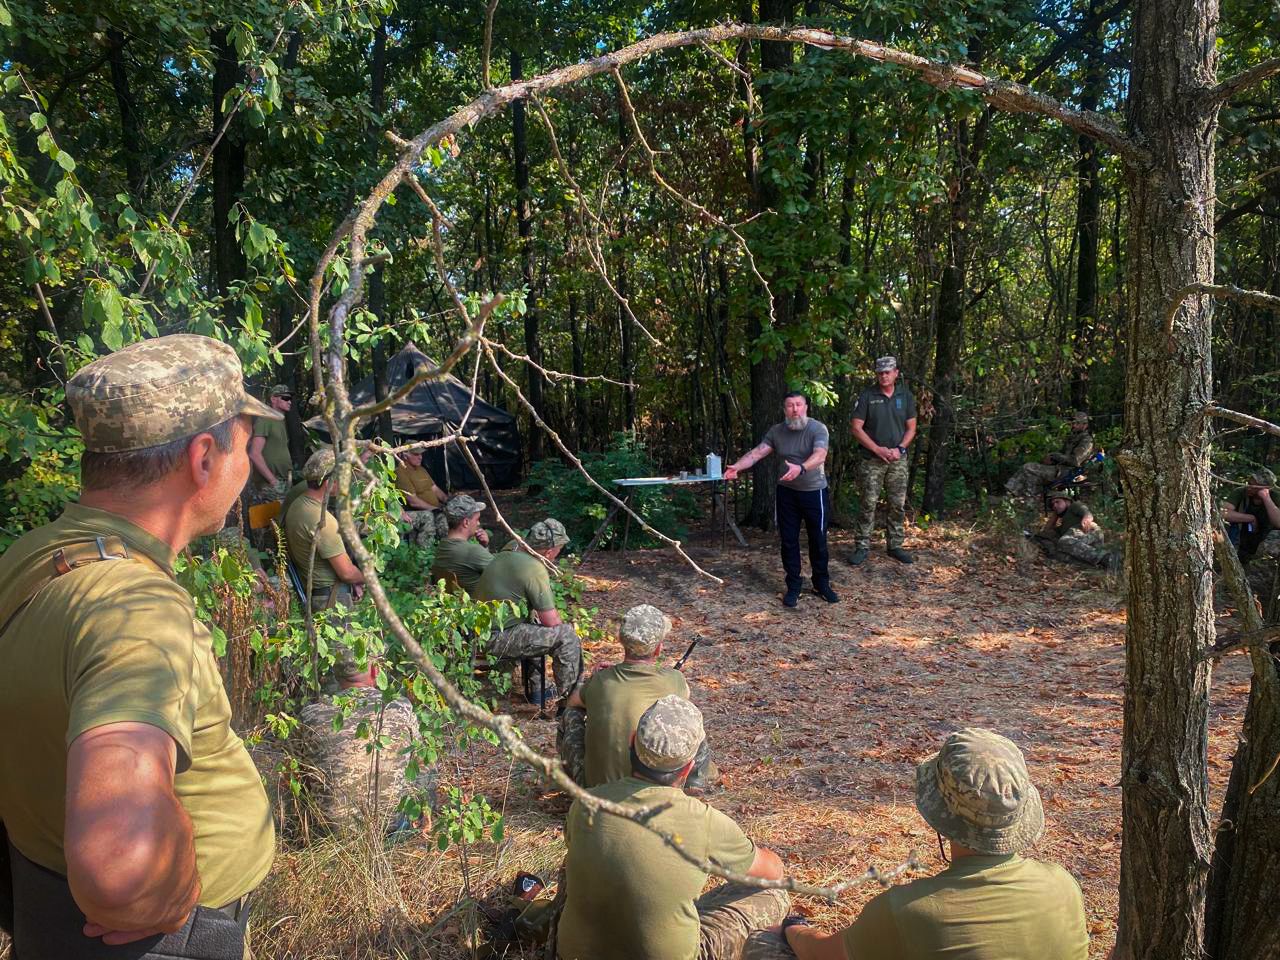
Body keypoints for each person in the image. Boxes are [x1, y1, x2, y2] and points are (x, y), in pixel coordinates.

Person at [0, 334, 276, 957]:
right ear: (204, 456)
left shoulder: (34, 556)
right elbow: (121, 867)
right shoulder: (136, 611)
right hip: (153, 941)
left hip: (50, 907)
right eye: (241, 439)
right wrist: (166, 895)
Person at [778, 728, 1089, 960]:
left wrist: (792, 929)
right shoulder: (1063, 886)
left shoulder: (908, 911)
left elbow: (821, 954)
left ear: (940, 814)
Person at [557, 695, 789, 960]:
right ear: (689, 766)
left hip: (575, 953)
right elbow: (772, 872)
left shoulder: (585, 804)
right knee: (774, 894)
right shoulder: (704, 822)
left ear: (633, 741)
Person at [558, 604, 715, 791]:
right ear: (658, 648)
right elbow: (684, 697)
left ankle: (568, 777)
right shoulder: (674, 680)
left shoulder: (601, 681)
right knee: (687, 718)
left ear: (621, 640)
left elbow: (572, 702)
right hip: (652, 787)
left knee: (572, 713)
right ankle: (694, 786)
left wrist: (596, 680)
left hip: (594, 792)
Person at [298, 651, 433, 836]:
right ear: (375, 671)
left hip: (330, 831)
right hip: (391, 827)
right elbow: (423, 762)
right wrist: (424, 810)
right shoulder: (400, 706)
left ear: (336, 675)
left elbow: (300, 776)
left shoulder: (311, 715)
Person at [724, 392, 836, 607]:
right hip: (787, 493)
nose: (795, 409)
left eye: (799, 405)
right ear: (784, 410)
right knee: (789, 540)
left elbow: (820, 455)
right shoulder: (777, 431)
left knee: (818, 540)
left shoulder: (817, 428)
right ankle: (794, 586)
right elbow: (758, 452)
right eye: (790, 406)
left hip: (814, 491)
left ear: (806, 407)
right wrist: (737, 466)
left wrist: (801, 468)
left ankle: (821, 584)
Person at [474, 518, 583, 706]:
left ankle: (537, 691)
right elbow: (551, 621)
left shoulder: (512, 547)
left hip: (478, 631)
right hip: (495, 638)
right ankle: (571, 702)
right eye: (557, 552)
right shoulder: (533, 568)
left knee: (534, 624)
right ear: (549, 552)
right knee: (566, 636)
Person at [849, 356, 918, 566]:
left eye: (888, 372)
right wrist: (877, 449)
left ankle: (895, 545)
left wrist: (900, 448)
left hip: (897, 460)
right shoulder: (867, 396)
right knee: (867, 503)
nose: (884, 376)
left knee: (897, 504)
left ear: (896, 372)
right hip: (871, 460)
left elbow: (911, 428)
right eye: (880, 372)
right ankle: (862, 546)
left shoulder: (905, 396)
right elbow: (856, 428)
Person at [284, 447, 367, 611]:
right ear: (328, 483)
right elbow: (347, 573)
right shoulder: (323, 521)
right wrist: (366, 578)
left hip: (319, 593)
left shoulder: (298, 504)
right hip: (331, 600)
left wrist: (354, 581)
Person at [1004, 410, 1095, 500]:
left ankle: (1017, 496)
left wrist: (1055, 456)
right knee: (1030, 473)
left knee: (1028, 468)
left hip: (1068, 472)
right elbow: (1062, 454)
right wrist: (1051, 459)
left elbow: (1075, 460)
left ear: (1085, 425)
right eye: (1073, 422)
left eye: (1077, 423)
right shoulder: (1072, 437)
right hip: (1058, 468)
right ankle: (1019, 497)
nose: (1074, 425)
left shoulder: (1086, 440)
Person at [1222, 467, 1280, 601]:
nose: (1249, 485)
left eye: (1255, 484)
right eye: (1250, 481)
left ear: (1265, 487)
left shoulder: (1275, 496)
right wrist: (1250, 518)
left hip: (1264, 541)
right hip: (1241, 537)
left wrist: (1266, 499)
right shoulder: (1240, 493)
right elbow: (1224, 513)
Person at [1031, 489, 1117, 570]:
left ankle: (1107, 558)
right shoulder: (1064, 524)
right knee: (1058, 554)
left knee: (1064, 541)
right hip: (1082, 542)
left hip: (1090, 531)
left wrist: (1086, 518)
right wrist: (1056, 514)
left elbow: (1087, 513)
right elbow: (1046, 531)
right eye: (1053, 505)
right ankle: (1098, 565)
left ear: (1067, 501)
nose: (1055, 505)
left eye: (1058, 502)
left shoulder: (1074, 506)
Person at [430, 494, 493, 593]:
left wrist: (484, 546)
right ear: (466, 522)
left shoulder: (442, 546)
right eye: (476, 519)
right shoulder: (472, 552)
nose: (478, 523)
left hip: (455, 605)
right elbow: (502, 574)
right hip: (477, 605)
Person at [247, 383, 295, 502]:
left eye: (290, 399)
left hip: (284, 480)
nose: (289, 402)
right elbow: (254, 453)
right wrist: (273, 481)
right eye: (285, 398)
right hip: (271, 484)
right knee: (274, 518)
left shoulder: (280, 421)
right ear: (273, 399)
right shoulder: (265, 420)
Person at [395, 448, 445, 548]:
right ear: (405, 455)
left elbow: (435, 489)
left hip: (435, 508)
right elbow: (413, 501)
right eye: (416, 454)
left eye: (421, 454)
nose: (420, 457)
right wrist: (435, 509)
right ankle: (426, 552)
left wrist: (449, 501)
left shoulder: (421, 469)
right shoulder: (400, 472)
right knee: (442, 519)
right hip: (421, 510)